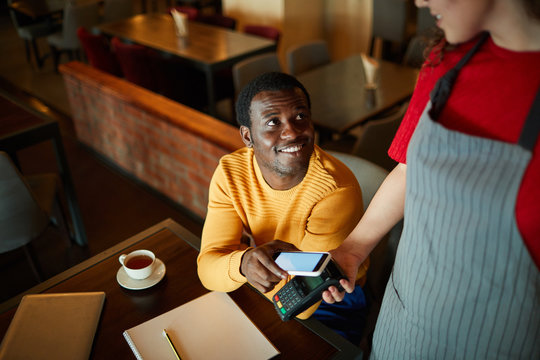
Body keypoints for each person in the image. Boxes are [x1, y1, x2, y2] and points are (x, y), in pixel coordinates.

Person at [323, 0, 540, 358]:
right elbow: (410, 169)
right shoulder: (446, 61)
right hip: (406, 324)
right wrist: (353, 247)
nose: (419, 1)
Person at [197, 72, 369, 342]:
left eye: (300, 116)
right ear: (247, 136)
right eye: (273, 122)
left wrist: (240, 263)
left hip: (332, 297)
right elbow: (207, 266)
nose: (291, 132)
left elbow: (302, 304)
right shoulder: (231, 173)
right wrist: (243, 263)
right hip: (273, 276)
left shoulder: (335, 191)